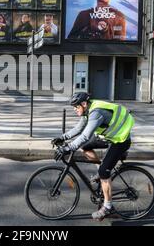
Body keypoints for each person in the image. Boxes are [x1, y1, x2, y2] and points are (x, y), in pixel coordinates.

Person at [52, 92, 134, 221]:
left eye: (76, 107)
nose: (74, 109)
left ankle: (107, 207)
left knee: (103, 172)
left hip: (120, 140)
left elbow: (85, 136)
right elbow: (79, 129)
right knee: (86, 147)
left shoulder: (96, 113)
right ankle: (102, 171)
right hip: (111, 137)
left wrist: (68, 148)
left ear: (84, 104)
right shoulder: (88, 111)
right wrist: (62, 138)